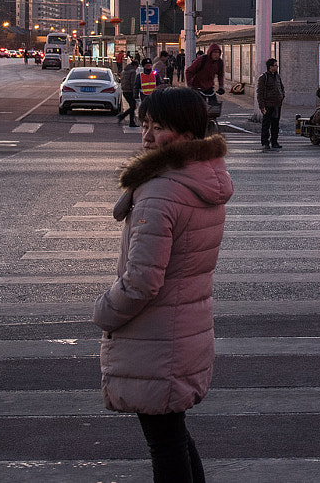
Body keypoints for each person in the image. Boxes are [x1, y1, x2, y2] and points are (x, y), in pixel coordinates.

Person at [94, 86, 231, 483]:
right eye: (146, 125)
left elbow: (142, 281)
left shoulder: (160, 190)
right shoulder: (202, 178)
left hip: (155, 334)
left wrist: (104, 311)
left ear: (187, 134)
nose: (148, 136)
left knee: (165, 443)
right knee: (174, 435)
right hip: (182, 327)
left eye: (160, 127)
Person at [256, 58, 284, 150]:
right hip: (268, 104)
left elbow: (281, 87)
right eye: (275, 65)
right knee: (266, 124)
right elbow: (260, 93)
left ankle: (274, 141)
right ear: (270, 67)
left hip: (277, 104)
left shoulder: (277, 76)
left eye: (277, 65)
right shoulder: (264, 77)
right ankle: (265, 142)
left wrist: (282, 96)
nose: (277, 67)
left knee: (275, 124)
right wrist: (261, 106)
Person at [118, 58, 141, 126]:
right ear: (135, 66)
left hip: (125, 90)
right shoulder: (132, 71)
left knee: (132, 106)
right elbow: (133, 82)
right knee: (133, 106)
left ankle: (126, 118)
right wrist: (135, 92)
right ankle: (129, 120)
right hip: (130, 91)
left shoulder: (124, 71)